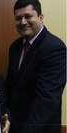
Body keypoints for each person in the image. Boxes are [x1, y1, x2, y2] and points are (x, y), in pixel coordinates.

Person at [5, 0, 66, 133]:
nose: (23, 22)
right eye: (18, 18)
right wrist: (7, 114)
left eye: (28, 16)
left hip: (39, 128)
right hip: (15, 126)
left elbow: (47, 100)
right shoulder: (14, 47)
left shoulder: (54, 47)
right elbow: (11, 86)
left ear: (41, 17)